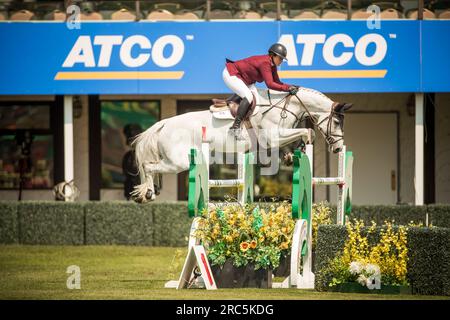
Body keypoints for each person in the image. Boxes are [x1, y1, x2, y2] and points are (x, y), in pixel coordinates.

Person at [223, 43, 299, 139]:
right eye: (280, 58)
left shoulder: (272, 65)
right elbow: (270, 84)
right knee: (249, 96)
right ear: (272, 55)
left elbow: (277, 82)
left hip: (245, 80)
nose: (281, 61)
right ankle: (235, 128)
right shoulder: (265, 63)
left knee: (256, 97)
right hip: (231, 74)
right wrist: (287, 88)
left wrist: (289, 86)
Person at [122, 123, 143, 200]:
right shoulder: (127, 156)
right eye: (130, 141)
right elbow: (126, 172)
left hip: (142, 188)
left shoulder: (144, 155)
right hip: (130, 190)